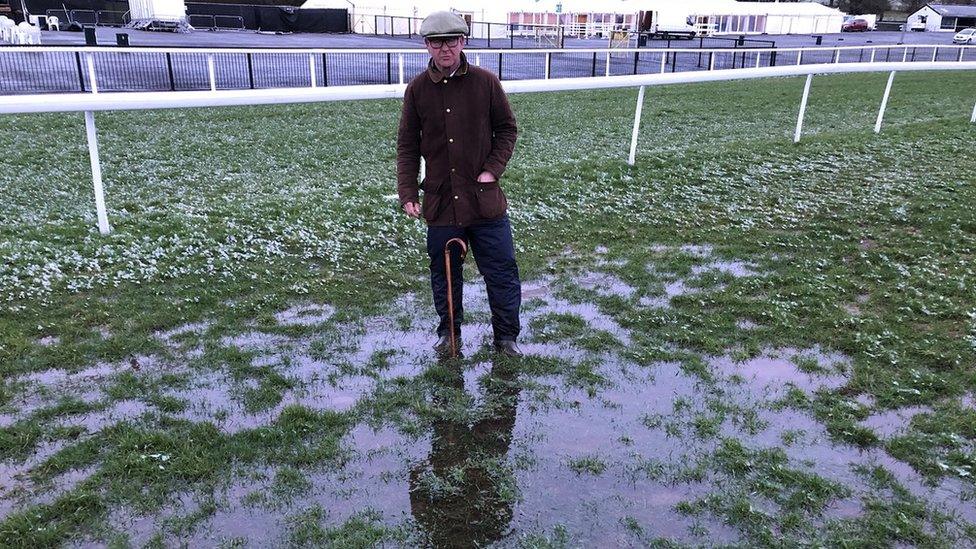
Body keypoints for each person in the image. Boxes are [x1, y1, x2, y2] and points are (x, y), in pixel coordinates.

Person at [397, 11, 523, 357]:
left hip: (484, 200)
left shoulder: (486, 83)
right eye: (437, 42)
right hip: (441, 203)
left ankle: (506, 338)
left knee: (501, 270)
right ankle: (449, 334)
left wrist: (492, 171)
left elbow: (507, 130)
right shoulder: (418, 90)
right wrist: (407, 191)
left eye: (451, 40)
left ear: (462, 42)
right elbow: (407, 146)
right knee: (444, 273)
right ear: (427, 46)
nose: (445, 48)